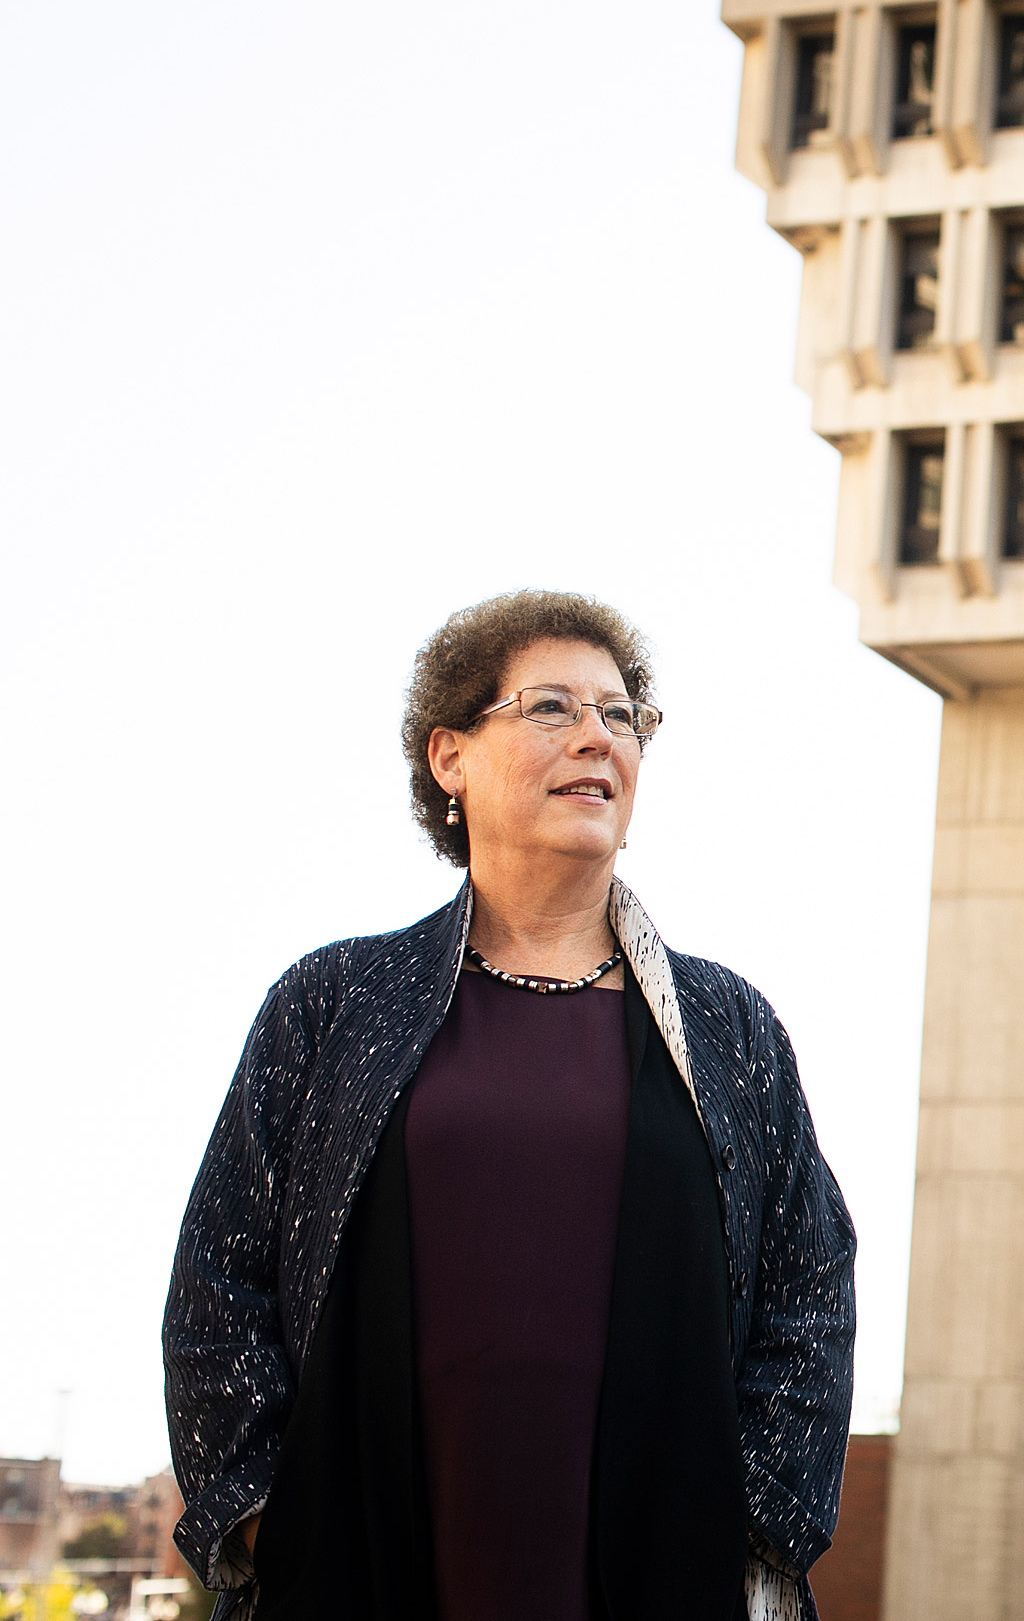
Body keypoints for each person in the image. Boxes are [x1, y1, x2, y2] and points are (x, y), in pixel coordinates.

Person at [163, 591, 855, 1621]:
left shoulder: (728, 1024)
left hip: (659, 1572)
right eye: (550, 707)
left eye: (623, 716)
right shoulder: (333, 1001)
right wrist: (277, 1517)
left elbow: (811, 1286)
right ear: (450, 755)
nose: (596, 735)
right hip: (368, 1570)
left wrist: (746, 1524)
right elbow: (219, 1280)